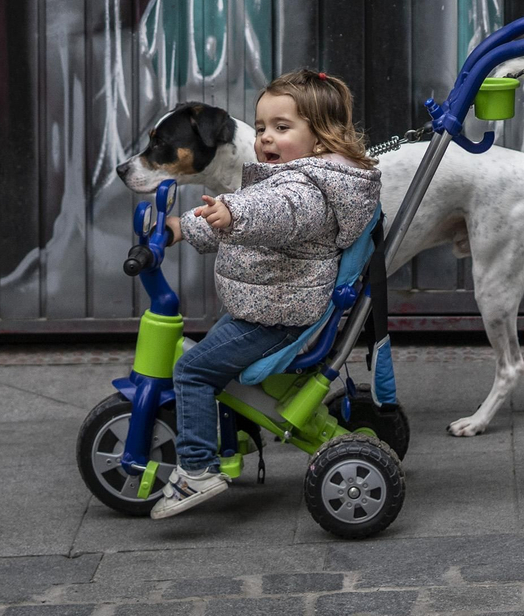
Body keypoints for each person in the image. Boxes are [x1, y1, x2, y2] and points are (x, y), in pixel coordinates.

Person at [151, 70, 382, 518]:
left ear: (320, 139)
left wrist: (233, 210)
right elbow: (248, 220)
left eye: (281, 128)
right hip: (268, 305)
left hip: (274, 316)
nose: (265, 139)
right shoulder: (307, 175)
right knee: (210, 358)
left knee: (192, 371)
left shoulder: (304, 189)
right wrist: (184, 227)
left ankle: (197, 468)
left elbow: (275, 214)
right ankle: (223, 437)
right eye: (260, 128)